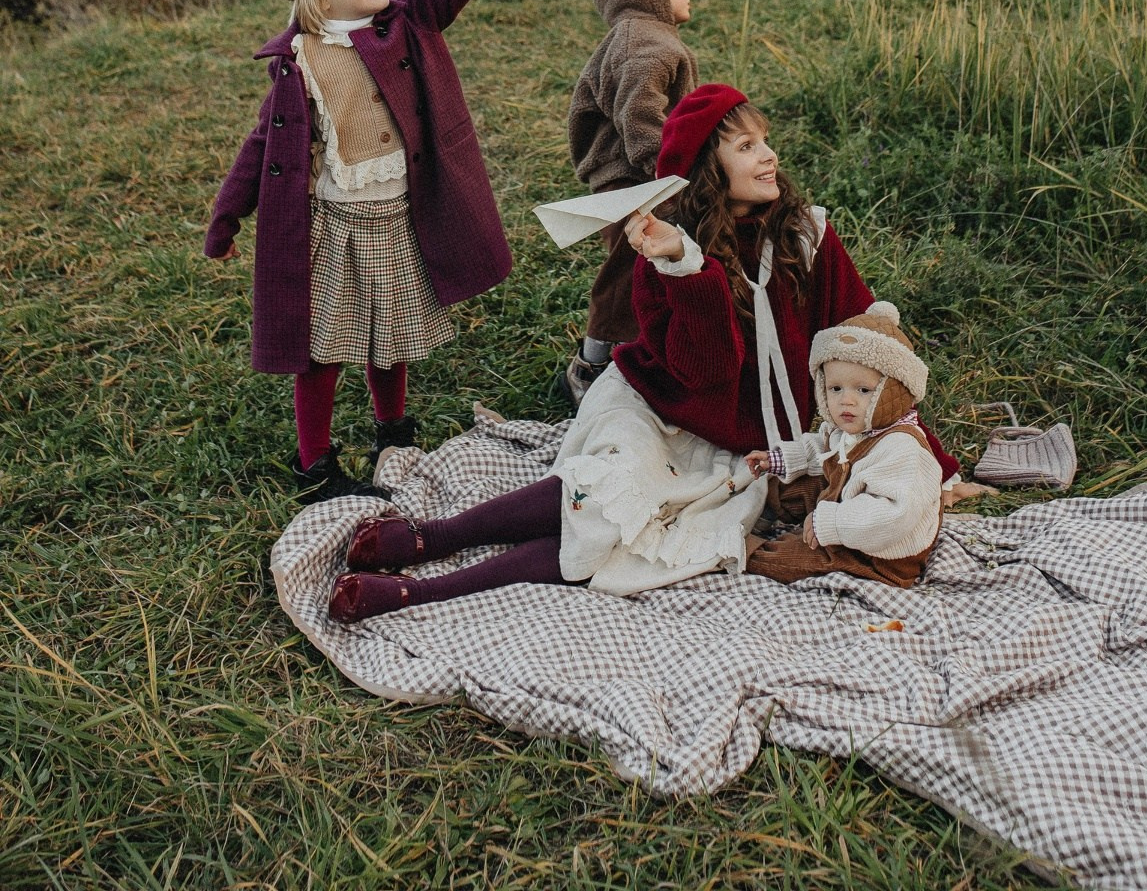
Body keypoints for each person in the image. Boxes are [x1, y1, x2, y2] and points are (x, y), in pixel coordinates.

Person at [328, 84, 964, 621]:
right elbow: (702, 374)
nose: (770, 158)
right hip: (669, 413)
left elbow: (865, 340)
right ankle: (427, 540)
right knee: (603, 496)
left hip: (752, 445)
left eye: (766, 141)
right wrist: (688, 269)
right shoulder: (663, 250)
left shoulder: (807, 235)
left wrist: (924, 455)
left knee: (616, 540)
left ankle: (418, 592)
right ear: (708, 169)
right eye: (746, 147)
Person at [204, 0, 543, 501]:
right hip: (333, 226)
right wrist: (226, 220)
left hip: (398, 215)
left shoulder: (408, 23)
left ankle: (394, 433)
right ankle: (316, 464)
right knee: (325, 344)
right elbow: (262, 149)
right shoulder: (300, 62)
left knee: (390, 335)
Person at [561, 0, 697, 406]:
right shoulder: (647, 41)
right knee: (629, 269)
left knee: (647, 266)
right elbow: (638, 115)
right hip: (634, 179)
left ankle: (643, 353)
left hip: (632, 175)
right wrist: (669, 172)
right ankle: (591, 365)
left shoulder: (641, 35)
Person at [743, 300, 943, 589]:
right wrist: (777, 460)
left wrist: (831, 523)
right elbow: (822, 449)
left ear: (895, 391)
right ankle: (759, 510)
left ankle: (752, 550)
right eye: (835, 388)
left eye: (863, 390)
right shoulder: (851, 428)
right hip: (848, 510)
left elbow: (891, 516)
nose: (845, 401)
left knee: (793, 560)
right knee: (790, 486)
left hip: (878, 553)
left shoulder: (902, 450)